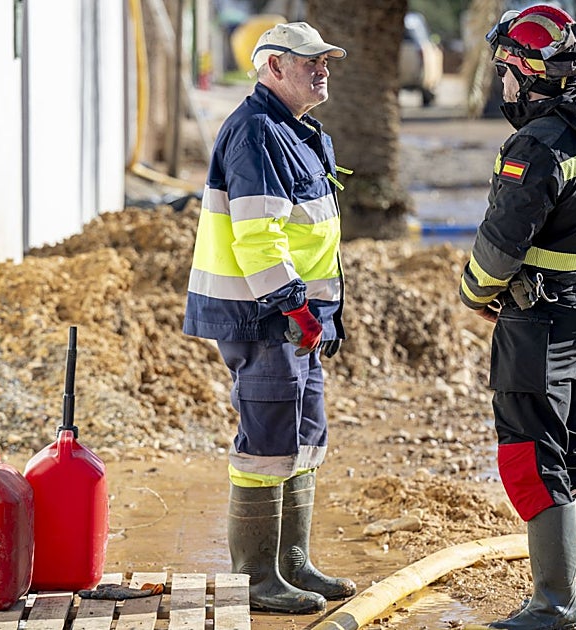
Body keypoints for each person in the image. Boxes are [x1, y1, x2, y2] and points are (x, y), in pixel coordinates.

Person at [459, 5, 576, 629]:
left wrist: (476, 294)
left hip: (537, 323)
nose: (502, 85)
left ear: (530, 76)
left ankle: (552, 604)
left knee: (531, 454)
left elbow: (500, 244)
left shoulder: (535, 146)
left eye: (506, 71)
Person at [182, 21, 356, 614]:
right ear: (274, 67)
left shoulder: (297, 132)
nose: (323, 69)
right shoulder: (257, 133)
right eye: (311, 62)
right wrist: (294, 306)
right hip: (264, 317)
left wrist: (319, 313)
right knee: (267, 440)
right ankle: (257, 577)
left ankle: (292, 563)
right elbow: (259, 237)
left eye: (325, 60)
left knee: (304, 433)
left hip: (296, 317)